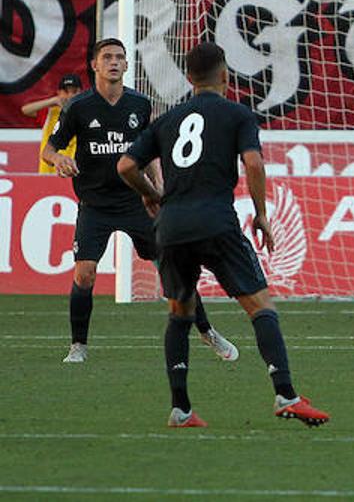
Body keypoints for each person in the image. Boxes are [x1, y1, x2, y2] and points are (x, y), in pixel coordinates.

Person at [117, 41, 328, 429]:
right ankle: (285, 394)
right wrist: (262, 215)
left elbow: (127, 165)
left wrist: (151, 195)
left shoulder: (167, 119)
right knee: (261, 307)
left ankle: (181, 409)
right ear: (226, 75)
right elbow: (254, 162)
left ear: (188, 78)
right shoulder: (237, 114)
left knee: (179, 313)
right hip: (215, 221)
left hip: (172, 225)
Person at [44, 38, 235, 366]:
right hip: (95, 204)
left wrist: (158, 187)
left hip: (136, 201)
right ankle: (78, 346)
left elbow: (149, 153)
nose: (114, 62)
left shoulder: (140, 105)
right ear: (95, 65)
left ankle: (206, 330)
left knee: (173, 268)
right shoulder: (78, 107)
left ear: (127, 65)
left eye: (119, 57)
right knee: (84, 274)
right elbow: (49, 148)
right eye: (107, 57)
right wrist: (58, 159)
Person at [22, 73, 81, 174]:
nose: (70, 96)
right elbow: (26, 110)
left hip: (76, 170)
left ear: (81, 92)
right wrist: (52, 101)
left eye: (74, 92)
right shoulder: (50, 112)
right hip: (49, 171)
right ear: (58, 92)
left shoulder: (87, 111)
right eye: (66, 92)